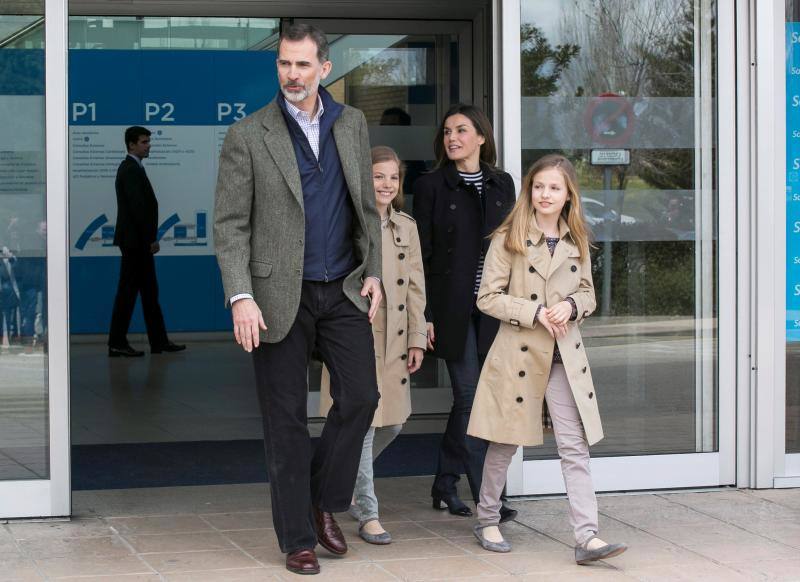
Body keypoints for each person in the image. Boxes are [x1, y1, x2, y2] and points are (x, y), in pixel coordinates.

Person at [213, 23, 383, 576]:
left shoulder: (351, 123)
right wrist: (241, 295)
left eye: (303, 65)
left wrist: (373, 272)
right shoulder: (248, 134)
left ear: (324, 68)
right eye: (285, 64)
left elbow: (366, 207)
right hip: (275, 295)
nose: (292, 75)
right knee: (284, 420)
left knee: (360, 397)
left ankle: (318, 498)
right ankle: (297, 538)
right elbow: (230, 224)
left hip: (342, 291)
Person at [468, 154, 627, 564]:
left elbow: (589, 293)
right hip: (519, 352)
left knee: (574, 446)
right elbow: (487, 297)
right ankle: (487, 518)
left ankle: (587, 536)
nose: (545, 194)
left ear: (568, 194)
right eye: (539, 186)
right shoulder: (509, 237)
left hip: (564, 357)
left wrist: (573, 306)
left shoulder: (577, 240)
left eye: (554, 187)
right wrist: (534, 312)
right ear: (529, 190)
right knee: (505, 442)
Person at [412, 103, 517, 521]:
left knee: (474, 400)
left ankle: (444, 482)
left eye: (460, 130)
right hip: (452, 308)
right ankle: (488, 499)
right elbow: (422, 254)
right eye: (446, 131)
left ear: (481, 137)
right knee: (471, 397)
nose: (451, 138)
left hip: (493, 308)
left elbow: (513, 246)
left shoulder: (501, 183)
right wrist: (426, 314)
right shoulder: (431, 185)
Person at [319, 146, 427, 545]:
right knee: (361, 424)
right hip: (355, 337)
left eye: (393, 177)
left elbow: (416, 287)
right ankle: (367, 512)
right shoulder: (345, 223)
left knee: (394, 423)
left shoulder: (406, 226)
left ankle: (339, 480)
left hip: (397, 339)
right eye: (378, 176)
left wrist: (418, 337)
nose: (386, 184)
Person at [107, 126, 185, 357]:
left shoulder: (135, 168)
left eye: (148, 141)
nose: (148, 145)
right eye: (143, 142)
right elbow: (137, 209)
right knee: (128, 294)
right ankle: (117, 342)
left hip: (136, 241)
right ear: (131, 144)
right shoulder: (130, 169)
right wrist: (150, 239)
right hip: (135, 243)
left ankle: (158, 341)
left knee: (149, 293)